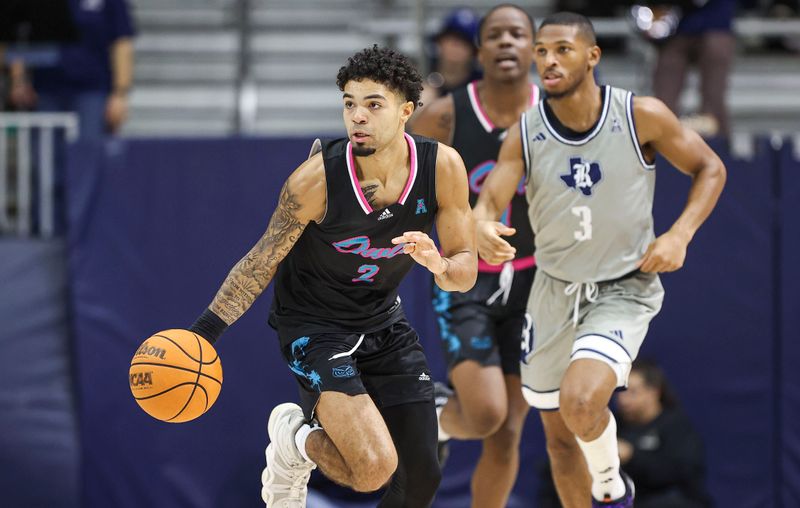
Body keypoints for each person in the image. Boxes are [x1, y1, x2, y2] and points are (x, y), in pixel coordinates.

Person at [186, 45, 477, 508]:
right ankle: (294, 439)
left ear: (405, 111)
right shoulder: (316, 181)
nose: (357, 116)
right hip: (313, 327)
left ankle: (302, 438)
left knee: (421, 477)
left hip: (383, 322)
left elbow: (464, 272)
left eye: (373, 104)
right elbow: (262, 260)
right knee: (372, 472)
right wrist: (205, 332)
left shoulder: (442, 167)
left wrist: (440, 264)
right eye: (349, 103)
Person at [473, 12, 726, 508]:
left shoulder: (640, 115)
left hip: (622, 286)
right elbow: (489, 199)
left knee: (583, 402)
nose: (547, 60)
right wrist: (482, 223)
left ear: (593, 56)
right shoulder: (524, 131)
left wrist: (680, 234)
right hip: (552, 290)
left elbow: (710, 168)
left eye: (562, 49)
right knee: (560, 441)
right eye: (541, 51)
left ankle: (611, 486)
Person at [409, 4, 539, 507]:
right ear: (480, 50)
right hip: (469, 278)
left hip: (536, 281)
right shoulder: (445, 114)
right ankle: (439, 413)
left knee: (509, 430)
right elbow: (397, 181)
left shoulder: (553, 113)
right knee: (486, 414)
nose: (507, 42)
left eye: (518, 34)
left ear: (535, 49)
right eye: (495, 35)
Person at [7, 0, 135, 138]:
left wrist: (120, 94)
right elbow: (18, 36)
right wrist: (18, 79)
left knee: (88, 153)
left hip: (92, 92)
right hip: (44, 92)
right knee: (45, 154)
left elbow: (122, 43)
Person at [615, 360, 712, 508]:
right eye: (620, 392)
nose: (624, 400)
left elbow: (682, 473)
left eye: (632, 392)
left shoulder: (676, 426)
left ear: (654, 392)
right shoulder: (611, 425)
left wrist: (631, 456)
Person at [418, 7, 482, 109]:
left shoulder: (483, 86)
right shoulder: (423, 79)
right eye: (450, 38)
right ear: (439, 42)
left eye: (464, 42)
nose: (456, 45)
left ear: (473, 52)